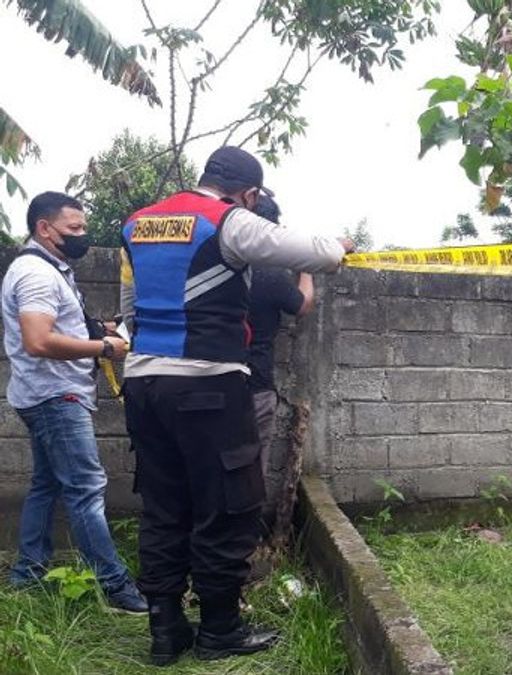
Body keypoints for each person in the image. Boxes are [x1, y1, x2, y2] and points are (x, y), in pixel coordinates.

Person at [119, 146, 352, 666]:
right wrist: (339, 244)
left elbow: (129, 308)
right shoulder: (227, 221)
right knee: (228, 505)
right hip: (209, 382)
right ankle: (220, 630)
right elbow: (320, 255)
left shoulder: (136, 224)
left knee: (163, 506)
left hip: (143, 383)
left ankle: (166, 629)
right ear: (247, 193)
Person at [3, 192, 146, 613]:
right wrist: (104, 347)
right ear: (44, 229)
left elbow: (56, 324)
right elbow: (38, 339)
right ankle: (116, 586)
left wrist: (99, 327)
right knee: (86, 489)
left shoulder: (51, 268)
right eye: (75, 229)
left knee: (47, 486)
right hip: (55, 397)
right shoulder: (35, 274)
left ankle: (28, 574)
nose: (83, 236)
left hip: (45, 395)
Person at [246, 194, 313, 490]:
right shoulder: (270, 275)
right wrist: (306, 268)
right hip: (255, 385)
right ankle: (244, 534)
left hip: (210, 383)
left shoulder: (214, 267)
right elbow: (302, 304)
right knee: (251, 471)